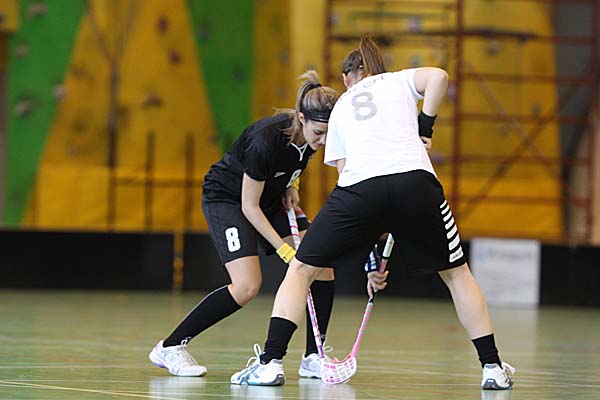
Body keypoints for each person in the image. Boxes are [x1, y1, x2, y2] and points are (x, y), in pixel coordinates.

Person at [230, 37, 515, 390]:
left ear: (347, 78)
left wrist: (370, 260)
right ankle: (492, 368)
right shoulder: (399, 80)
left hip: (359, 189)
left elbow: (351, 184)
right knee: (457, 274)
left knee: (301, 271)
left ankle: (270, 363)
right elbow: (439, 77)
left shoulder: (341, 107)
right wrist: (425, 127)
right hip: (416, 183)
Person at [149, 70, 339, 379]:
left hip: (270, 197)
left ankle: (313, 357)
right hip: (229, 199)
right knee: (247, 286)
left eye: (330, 133)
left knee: (322, 266)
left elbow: (292, 164)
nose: (325, 140)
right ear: (302, 118)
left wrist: (292, 185)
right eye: (319, 132)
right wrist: (284, 251)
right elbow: (249, 206)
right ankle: (170, 347)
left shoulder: (312, 137)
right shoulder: (266, 140)